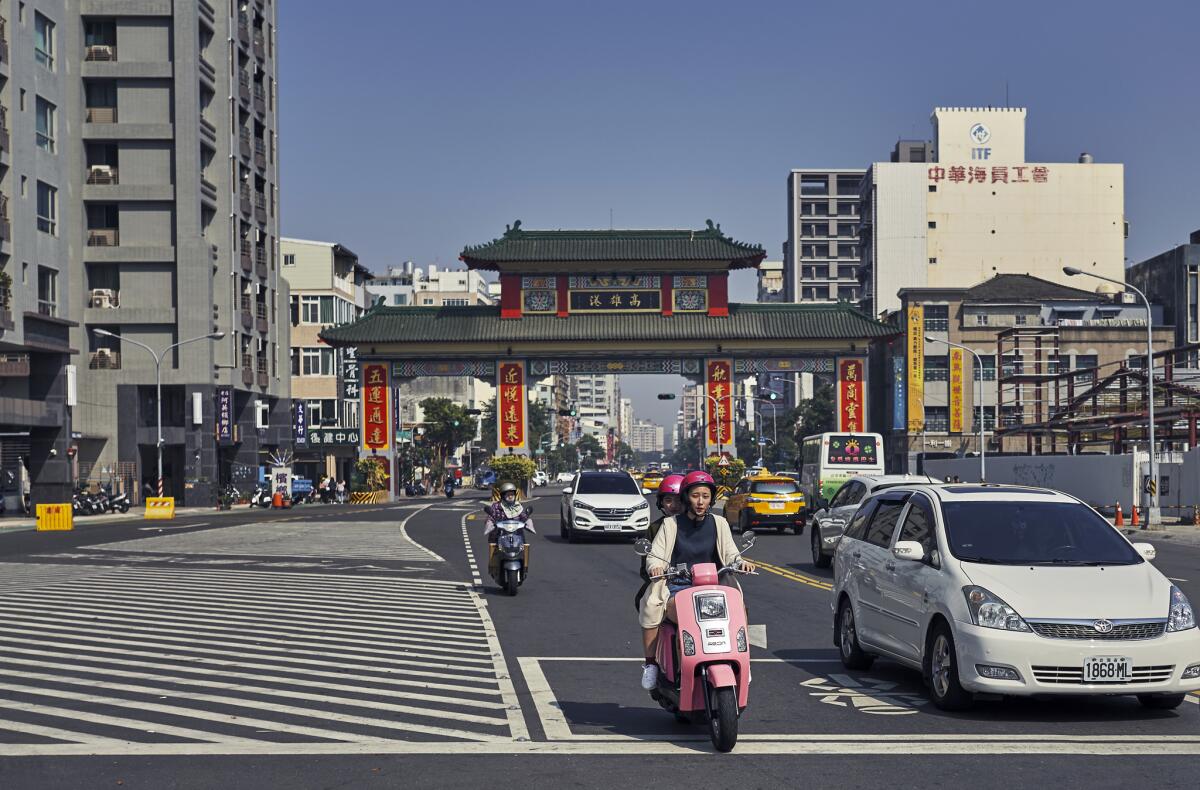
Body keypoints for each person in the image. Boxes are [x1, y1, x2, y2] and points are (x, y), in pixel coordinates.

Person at [637, 470, 756, 690]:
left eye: (705, 496)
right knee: (652, 606)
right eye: (695, 496)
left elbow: (731, 553)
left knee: (741, 608)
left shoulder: (719, 523)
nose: (700, 502)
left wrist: (741, 564)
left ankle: (742, 662)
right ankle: (651, 664)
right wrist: (655, 567)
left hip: (714, 587)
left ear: (711, 499)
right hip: (677, 587)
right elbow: (655, 555)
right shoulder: (671, 525)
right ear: (686, 497)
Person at [632, 473, 687, 613]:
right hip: (667, 582)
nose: (674, 505)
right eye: (668, 500)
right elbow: (647, 564)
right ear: (660, 502)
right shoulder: (655, 528)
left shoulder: (702, 523)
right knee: (646, 605)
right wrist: (656, 571)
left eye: (679, 500)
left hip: (700, 581)